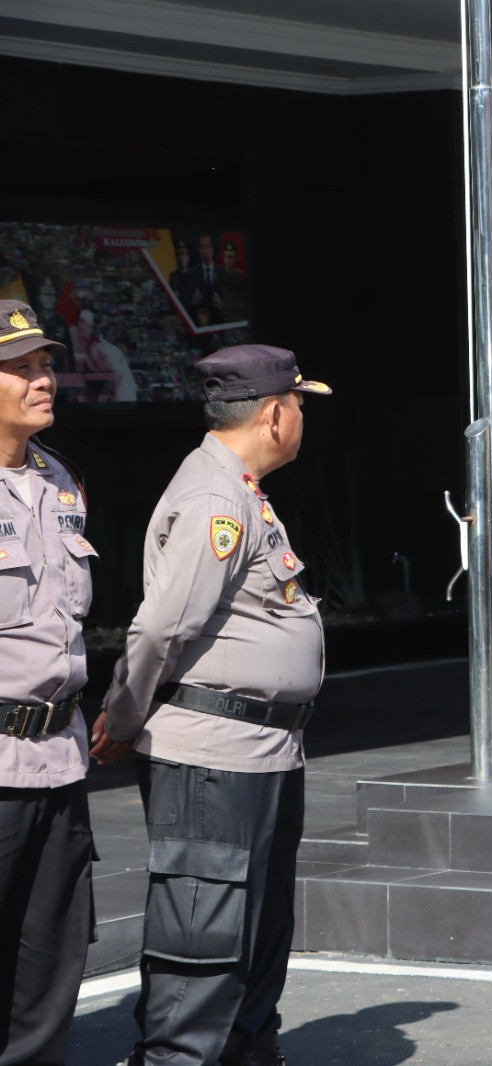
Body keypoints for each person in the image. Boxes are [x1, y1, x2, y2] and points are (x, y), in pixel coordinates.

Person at [95, 344, 331, 1066]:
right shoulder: (215, 499)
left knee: (254, 936)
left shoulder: (239, 489)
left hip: (260, 754)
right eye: (297, 405)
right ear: (272, 414)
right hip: (214, 757)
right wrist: (124, 717)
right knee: (203, 945)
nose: (300, 418)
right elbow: (163, 626)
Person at [0, 300, 97, 1066]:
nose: (45, 380)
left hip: (59, 756)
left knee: (54, 950)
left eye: (46, 364)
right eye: (22, 368)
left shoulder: (59, 478)